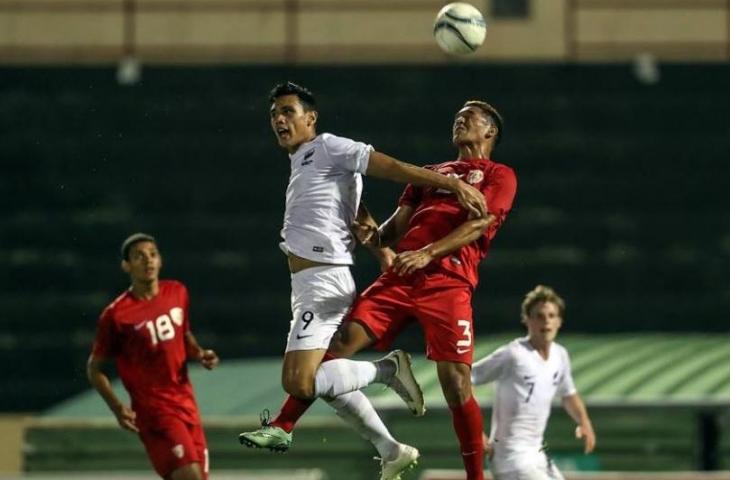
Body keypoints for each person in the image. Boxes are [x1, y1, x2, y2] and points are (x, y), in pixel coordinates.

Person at [247, 98, 517, 480]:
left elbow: (481, 224)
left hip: (448, 281)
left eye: (469, 118)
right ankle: (285, 424)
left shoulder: (499, 174)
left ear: (490, 130)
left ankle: (476, 476)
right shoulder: (432, 172)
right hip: (402, 275)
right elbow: (394, 228)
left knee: (456, 384)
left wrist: (428, 253)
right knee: (336, 348)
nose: (459, 122)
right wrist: (373, 235)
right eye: (456, 117)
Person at [87, 233, 220, 480]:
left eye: (152, 254)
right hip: (154, 411)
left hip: (186, 404)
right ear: (126, 266)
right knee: (189, 477)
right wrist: (117, 407)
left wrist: (200, 354)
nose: (147, 260)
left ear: (160, 261)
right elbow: (94, 369)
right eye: (139, 256)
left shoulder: (177, 292)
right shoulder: (116, 315)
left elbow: (183, 334)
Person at [471, 285, 596, 480]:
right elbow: (464, 378)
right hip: (509, 458)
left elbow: (568, 394)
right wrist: (474, 432)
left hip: (537, 456)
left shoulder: (560, 355)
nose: (546, 321)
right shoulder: (513, 354)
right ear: (526, 320)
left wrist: (585, 422)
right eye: (539, 316)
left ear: (559, 321)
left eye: (551, 315)